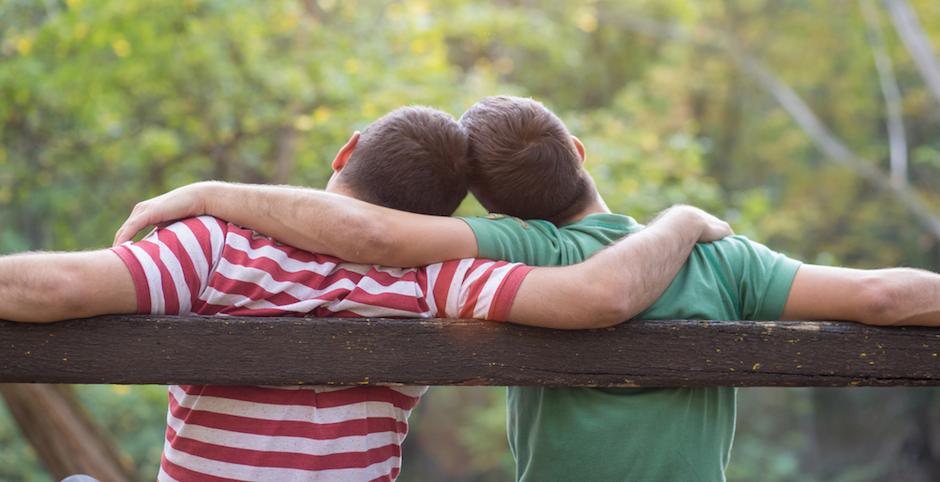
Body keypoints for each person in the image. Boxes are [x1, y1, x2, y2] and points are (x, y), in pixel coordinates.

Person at [116, 95, 940, 481]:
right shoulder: (724, 261)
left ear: (488, 209)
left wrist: (206, 194)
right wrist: (686, 218)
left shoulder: (520, 248)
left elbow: (370, 233)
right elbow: (881, 299)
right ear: (579, 150)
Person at [2, 105, 732, 482]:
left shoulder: (214, 245)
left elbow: (59, 285)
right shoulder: (436, 279)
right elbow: (589, 298)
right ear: (441, 218)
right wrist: (684, 221)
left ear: (345, 151)